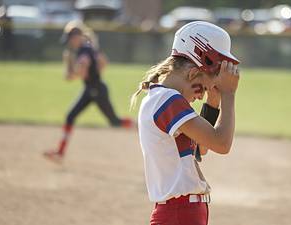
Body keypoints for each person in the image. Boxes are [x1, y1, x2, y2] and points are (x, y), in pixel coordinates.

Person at [131, 21, 240, 225]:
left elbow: (200, 150)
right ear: (192, 73)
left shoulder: (161, 98)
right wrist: (229, 95)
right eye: (202, 89)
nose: (200, 97)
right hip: (179, 214)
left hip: (181, 213)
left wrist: (213, 104)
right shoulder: (168, 100)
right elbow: (222, 144)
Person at [44, 26, 134, 163]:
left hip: (97, 91)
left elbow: (81, 71)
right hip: (91, 89)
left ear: (76, 38)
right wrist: (95, 72)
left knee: (115, 121)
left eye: (70, 39)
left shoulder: (83, 51)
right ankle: (60, 152)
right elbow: (104, 62)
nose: (69, 43)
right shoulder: (89, 47)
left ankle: (138, 125)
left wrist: (70, 68)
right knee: (70, 116)